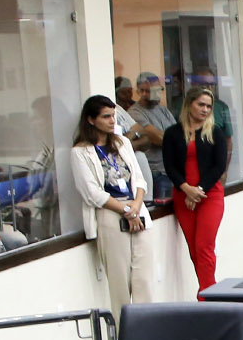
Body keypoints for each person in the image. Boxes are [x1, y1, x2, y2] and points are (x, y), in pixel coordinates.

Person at [68, 94, 155, 315]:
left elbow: (139, 179)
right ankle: (124, 332)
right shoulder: (80, 152)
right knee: (120, 283)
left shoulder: (122, 143)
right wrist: (125, 211)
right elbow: (92, 193)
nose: (112, 121)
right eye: (106, 116)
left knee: (144, 279)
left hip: (136, 208)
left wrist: (135, 206)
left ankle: (148, 329)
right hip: (110, 212)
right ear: (91, 120)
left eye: (113, 116)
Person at [162, 86, 229, 290]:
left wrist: (198, 190)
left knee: (204, 246)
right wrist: (186, 189)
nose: (205, 110)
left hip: (209, 195)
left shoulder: (215, 132)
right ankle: (207, 290)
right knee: (194, 249)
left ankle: (208, 296)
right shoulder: (172, 133)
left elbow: (219, 166)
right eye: (201, 105)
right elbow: (170, 166)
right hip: (183, 196)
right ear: (189, 104)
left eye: (209, 106)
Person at [128, 72, 176, 195]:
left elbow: (180, 135)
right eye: (153, 91)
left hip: (172, 171)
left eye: (159, 90)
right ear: (141, 92)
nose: (157, 95)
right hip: (155, 174)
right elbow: (159, 138)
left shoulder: (163, 110)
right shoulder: (135, 112)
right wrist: (173, 138)